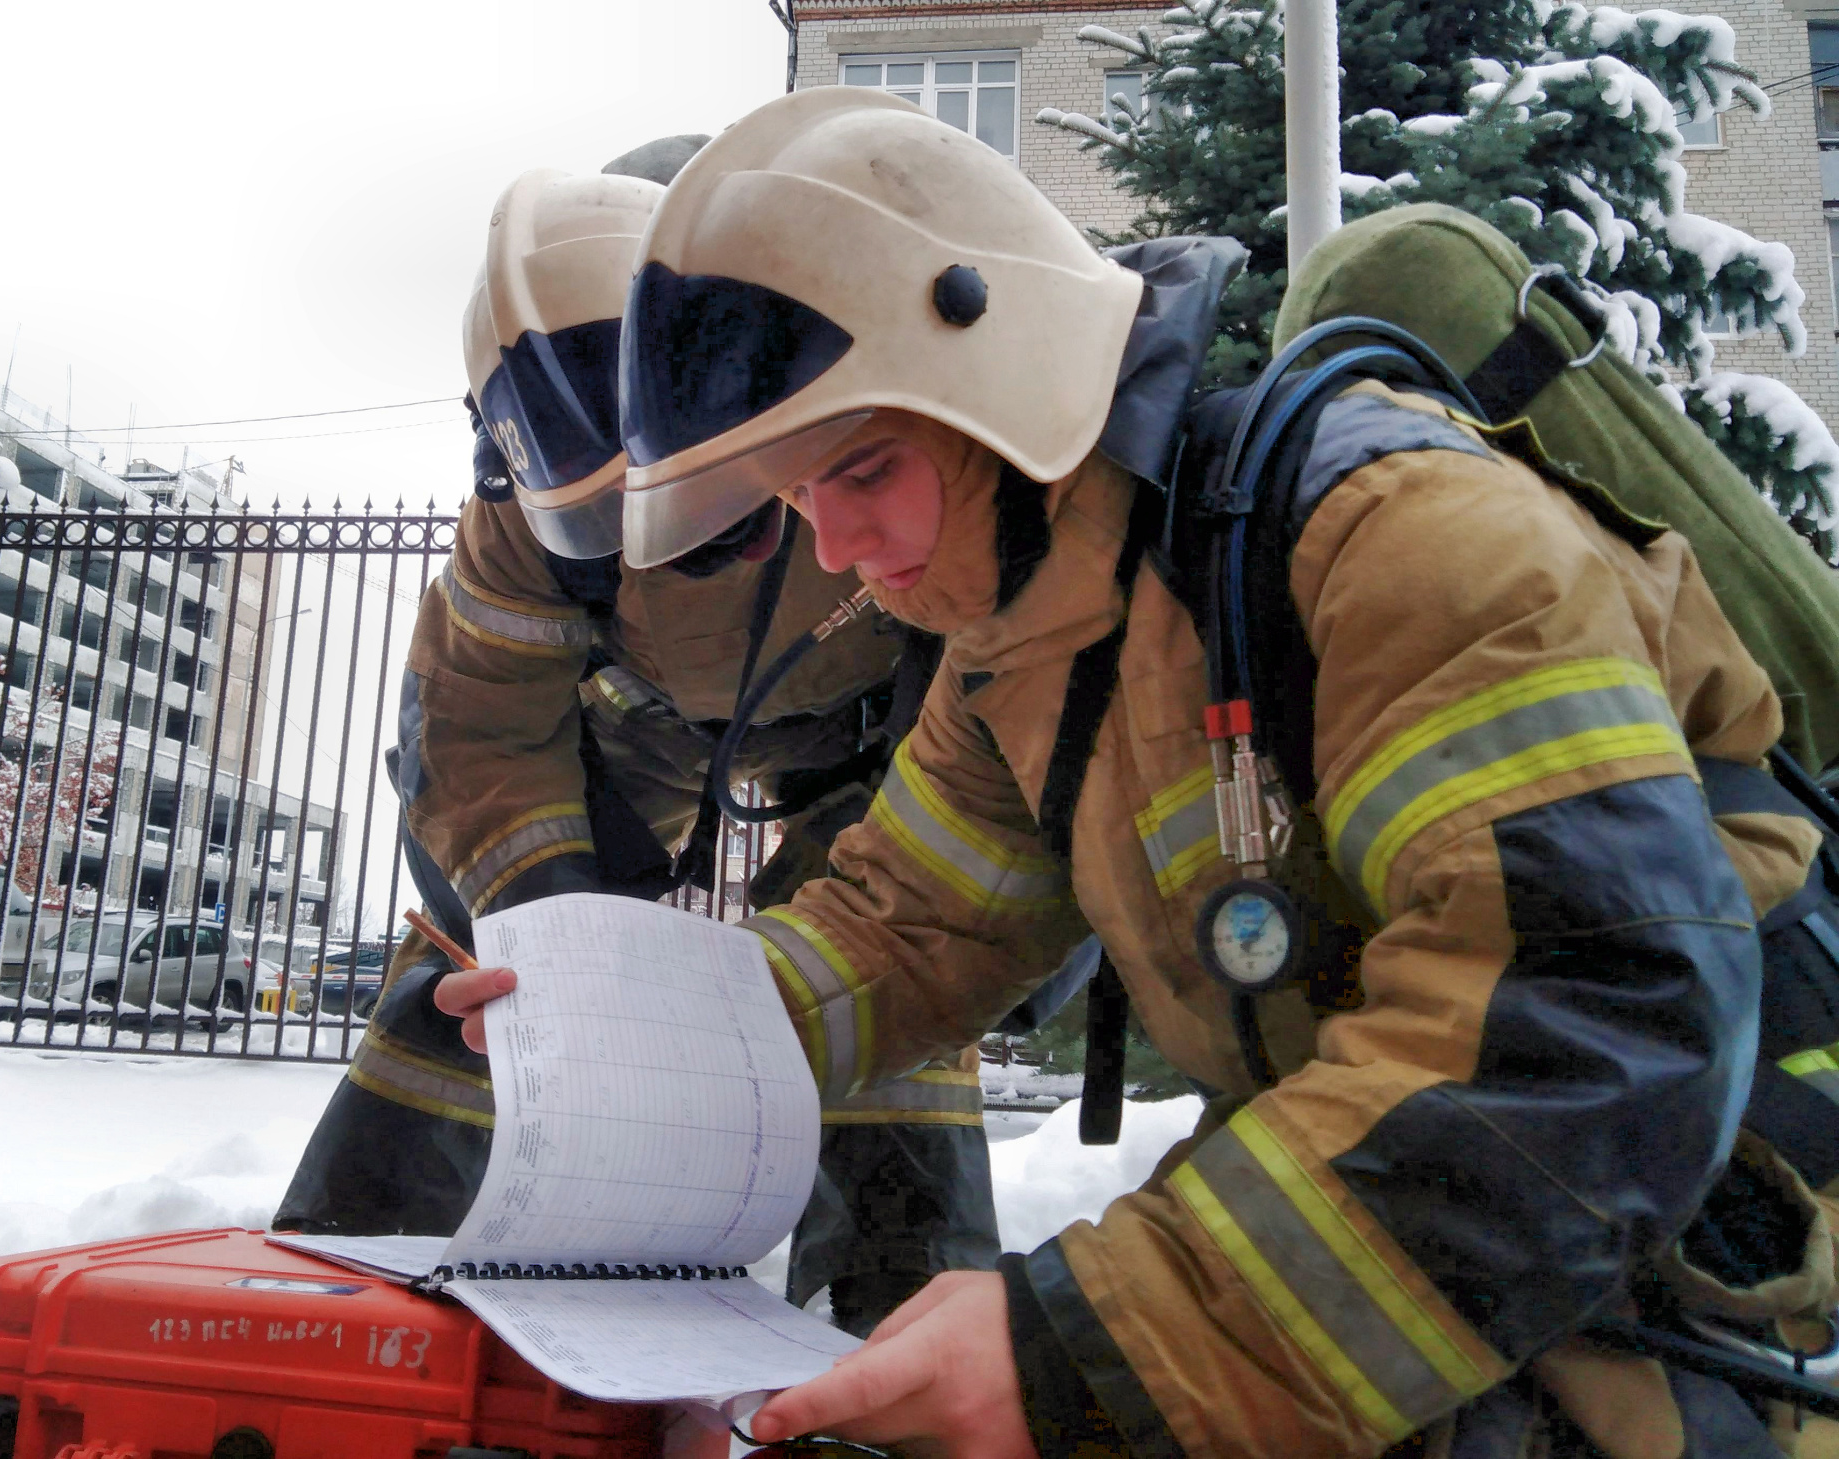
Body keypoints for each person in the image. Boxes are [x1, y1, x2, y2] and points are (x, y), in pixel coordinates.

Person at [439, 90, 1839, 1459]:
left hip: (1686, 1263)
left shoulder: (1404, 537)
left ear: (995, 370)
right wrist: (629, 1035)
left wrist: (1069, 1354)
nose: (842, 543)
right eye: (803, 500)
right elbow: (902, 928)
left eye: (862, 466)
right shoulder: (1016, 654)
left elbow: (1588, 1014)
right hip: (1434, 1236)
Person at [275, 152, 1003, 1338]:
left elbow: (993, 694)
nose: (656, 535)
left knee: (888, 953)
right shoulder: (514, 515)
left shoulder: (843, 408)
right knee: (497, 957)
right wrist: (550, 916)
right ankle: (357, 1268)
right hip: (641, 720)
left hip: (873, 722)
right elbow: (482, 723)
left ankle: (893, 1309)